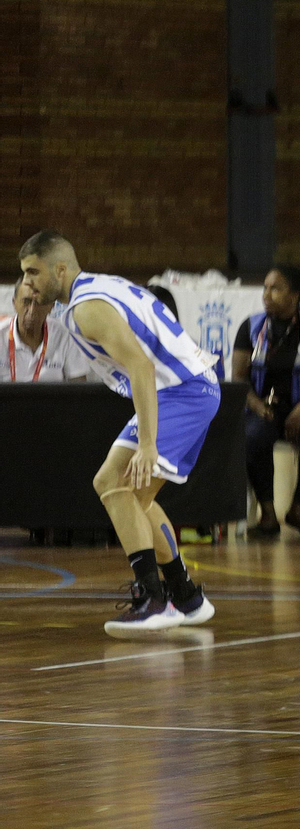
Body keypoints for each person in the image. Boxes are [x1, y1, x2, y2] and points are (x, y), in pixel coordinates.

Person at [18, 231, 218, 635]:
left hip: (182, 391)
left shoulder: (87, 307)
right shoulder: (95, 288)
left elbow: (142, 367)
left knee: (121, 487)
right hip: (183, 389)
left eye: (33, 272)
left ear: (60, 269)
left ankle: (154, 600)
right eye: (23, 274)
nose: (28, 283)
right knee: (120, 488)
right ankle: (185, 596)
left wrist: (147, 444)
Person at [231, 265, 300, 539]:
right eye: (265, 288)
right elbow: (238, 377)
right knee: (252, 434)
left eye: (275, 288)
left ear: (295, 295)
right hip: (264, 409)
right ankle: (267, 513)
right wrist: (257, 407)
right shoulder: (251, 327)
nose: (266, 295)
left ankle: (299, 507)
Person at [2, 280, 90, 382]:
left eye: (39, 303)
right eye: (26, 301)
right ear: (14, 303)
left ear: (51, 306)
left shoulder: (66, 336)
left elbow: (79, 390)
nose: (32, 311)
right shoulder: (1, 335)